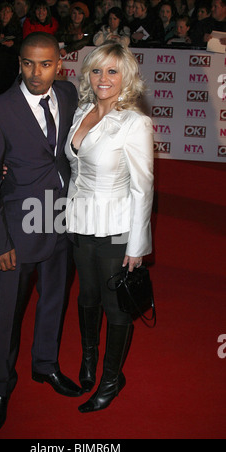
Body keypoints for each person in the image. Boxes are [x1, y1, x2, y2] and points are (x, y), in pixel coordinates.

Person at [0, 32, 81, 432]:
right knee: (6, 314)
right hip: (17, 232)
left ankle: (45, 365)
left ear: (59, 64)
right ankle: (0, 386)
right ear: (19, 62)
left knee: (54, 300)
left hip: (61, 222)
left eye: (46, 64)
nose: (37, 73)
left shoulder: (68, 94)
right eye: (29, 63)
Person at [64, 42, 154, 412]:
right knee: (87, 297)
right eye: (98, 70)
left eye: (113, 71)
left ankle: (111, 378)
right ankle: (89, 359)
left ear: (126, 77)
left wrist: (137, 245)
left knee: (115, 308)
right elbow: (73, 167)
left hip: (117, 229)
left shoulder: (135, 123)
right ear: (88, 74)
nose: (104, 79)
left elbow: (143, 186)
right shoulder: (82, 110)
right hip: (81, 221)